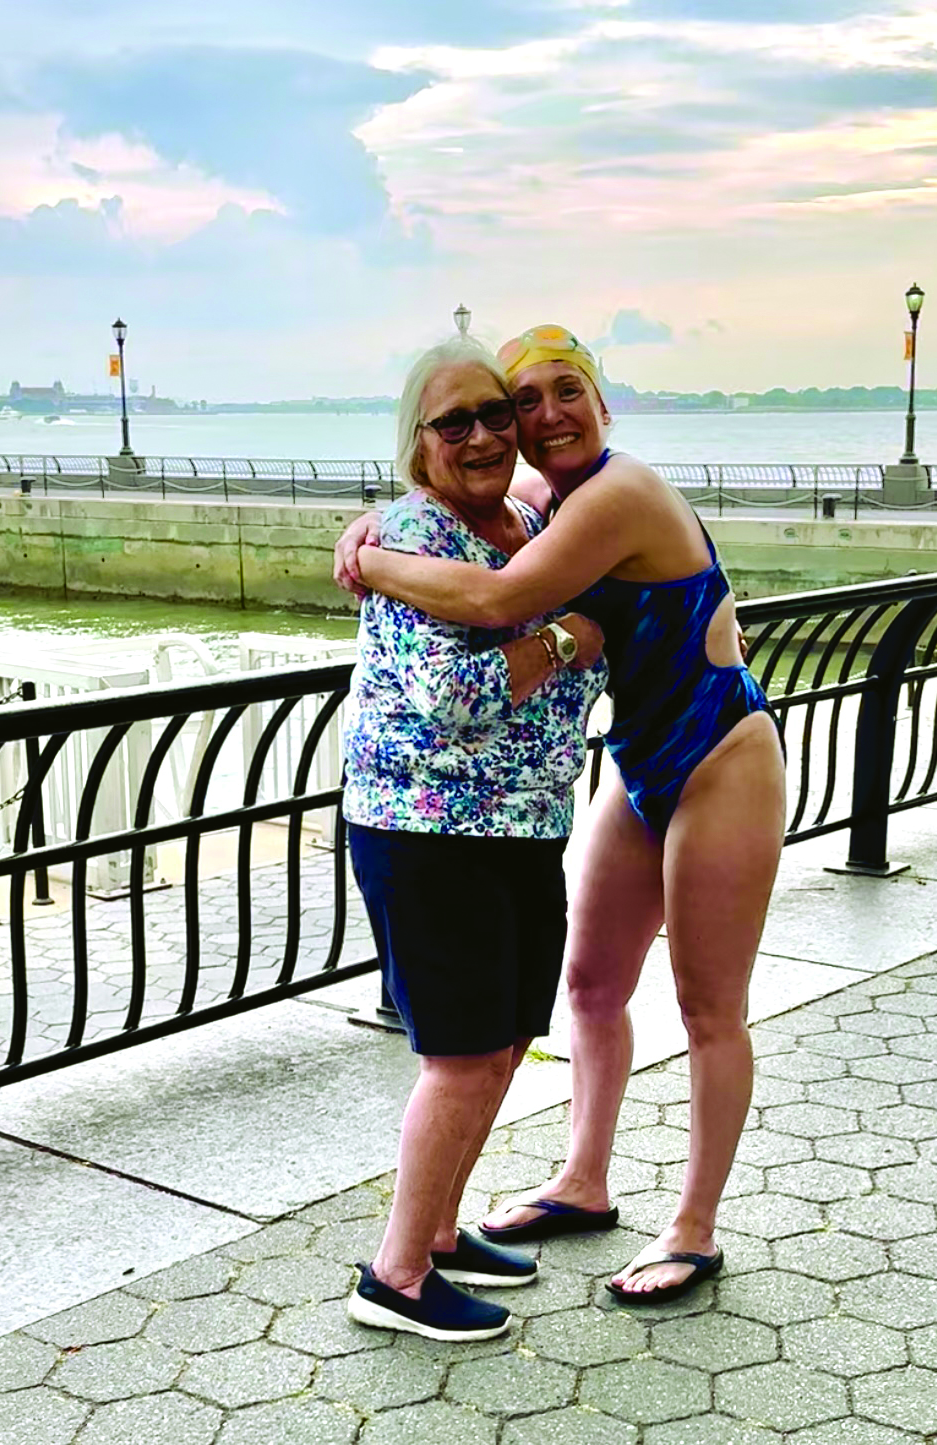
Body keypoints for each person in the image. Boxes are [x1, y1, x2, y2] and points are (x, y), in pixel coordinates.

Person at [336, 323, 785, 1303]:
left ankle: (693, 1229)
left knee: (711, 1006)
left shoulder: (616, 490)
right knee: (587, 987)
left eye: (559, 392)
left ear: (602, 402)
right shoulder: (542, 501)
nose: (537, 416)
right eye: (518, 399)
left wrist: (367, 563)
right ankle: (583, 1179)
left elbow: (499, 595)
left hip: (720, 754)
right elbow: (451, 521)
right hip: (637, 760)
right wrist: (371, 527)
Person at [342, 335, 606, 1342]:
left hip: (526, 824)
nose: (486, 434)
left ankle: (444, 1228)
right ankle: (397, 1275)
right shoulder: (412, 533)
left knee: (504, 1040)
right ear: (420, 442)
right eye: (456, 421)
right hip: (426, 828)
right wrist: (569, 636)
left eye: (498, 413)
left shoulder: (533, 522)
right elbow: (452, 697)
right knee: (460, 1055)